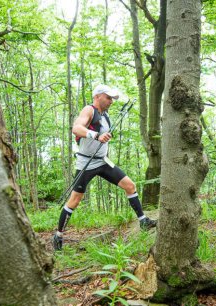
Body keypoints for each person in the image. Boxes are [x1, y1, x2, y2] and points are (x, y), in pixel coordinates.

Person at [52, 85, 157, 251]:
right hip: (86, 163)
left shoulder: (105, 116)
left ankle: (143, 220)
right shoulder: (89, 110)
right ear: (98, 96)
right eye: (108, 98)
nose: (111, 102)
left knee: (130, 185)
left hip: (102, 161)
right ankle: (58, 235)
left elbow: (103, 137)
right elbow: (76, 128)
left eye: (113, 99)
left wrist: (105, 137)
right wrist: (96, 135)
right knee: (75, 200)